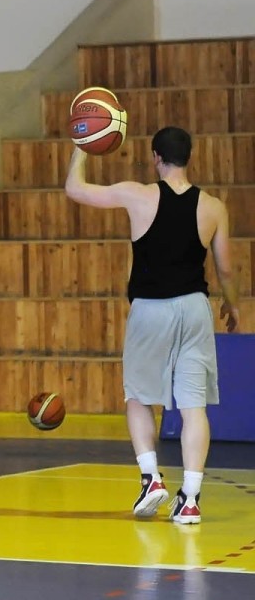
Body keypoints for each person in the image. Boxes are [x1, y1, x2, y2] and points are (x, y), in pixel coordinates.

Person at [64, 127, 239, 525]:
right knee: (194, 407)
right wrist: (233, 304)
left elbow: (75, 189)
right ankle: (190, 499)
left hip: (151, 309)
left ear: (156, 157)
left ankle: (151, 479)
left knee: (139, 398)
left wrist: (82, 147)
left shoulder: (137, 194)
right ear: (188, 157)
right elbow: (226, 268)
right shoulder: (213, 206)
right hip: (195, 309)